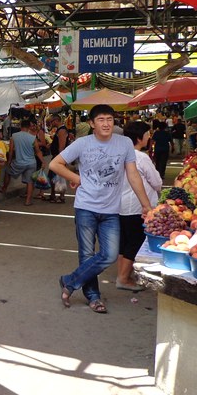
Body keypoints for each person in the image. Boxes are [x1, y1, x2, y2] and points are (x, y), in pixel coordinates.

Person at [49, 104, 152, 314]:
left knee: (109, 254)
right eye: (101, 120)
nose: (106, 124)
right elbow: (55, 164)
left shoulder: (123, 143)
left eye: (109, 119)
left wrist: (146, 205)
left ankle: (69, 281)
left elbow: (133, 175)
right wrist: (78, 178)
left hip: (111, 210)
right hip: (85, 207)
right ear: (92, 123)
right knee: (87, 255)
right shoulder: (82, 143)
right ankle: (94, 298)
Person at [116, 121, 161, 292]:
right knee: (135, 241)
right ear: (139, 138)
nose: (149, 138)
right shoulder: (141, 157)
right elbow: (156, 181)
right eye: (147, 135)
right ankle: (123, 278)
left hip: (120, 206)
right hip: (137, 206)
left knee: (124, 242)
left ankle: (122, 274)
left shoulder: (119, 154)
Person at [0, 118, 42, 204]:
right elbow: (37, 151)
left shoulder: (14, 136)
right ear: (29, 127)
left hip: (19, 162)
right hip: (31, 163)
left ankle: (4, 188)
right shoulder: (33, 137)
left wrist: (9, 161)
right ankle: (28, 201)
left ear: (20, 126)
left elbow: (11, 151)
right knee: (30, 182)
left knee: (8, 172)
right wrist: (43, 161)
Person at [48, 114, 71, 203]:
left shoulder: (61, 130)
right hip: (57, 157)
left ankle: (61, 196)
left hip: (58, 157)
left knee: (57, 176)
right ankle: (54, 195)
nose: (51, 123)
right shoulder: (60, 130)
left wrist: (60, 159)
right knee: (53, 177)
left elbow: (61, 146)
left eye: (52, 121)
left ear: (56, 120)